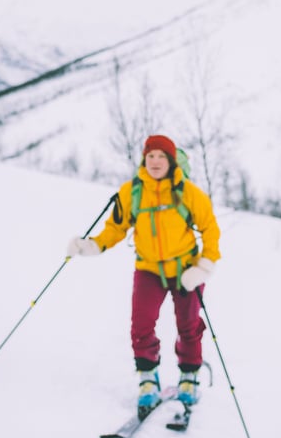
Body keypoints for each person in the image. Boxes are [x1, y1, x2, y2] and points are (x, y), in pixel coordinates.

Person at [67, 134, 222, 410]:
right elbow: (116, 227)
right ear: (144, 159)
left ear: (172, 161)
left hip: (185, 269)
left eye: (161, 156)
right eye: (150, 156)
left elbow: (210, 228)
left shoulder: (188, 193)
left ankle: (189, 376)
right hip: (148, 268)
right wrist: (92, 245)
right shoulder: (132, 192)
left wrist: (203, 267)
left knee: (188, 326)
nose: (155, 161)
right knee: (141, 325)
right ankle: (148, 377)